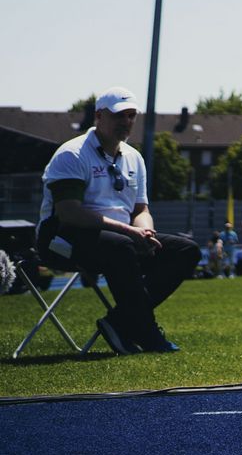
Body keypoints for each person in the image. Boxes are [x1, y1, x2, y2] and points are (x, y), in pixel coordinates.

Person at [37, 90, 201, 353]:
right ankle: (146, 332)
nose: (126, 121)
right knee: (120, 247)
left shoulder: (134, 157)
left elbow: (141, 207)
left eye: (131, 115)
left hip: (119, 238)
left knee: (186, 250)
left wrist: (144, 231)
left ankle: (120, 322)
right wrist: (129, 232)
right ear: (99, 116)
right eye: (119, 115)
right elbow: (70, 213)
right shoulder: (72, 154)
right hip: (60, 238)